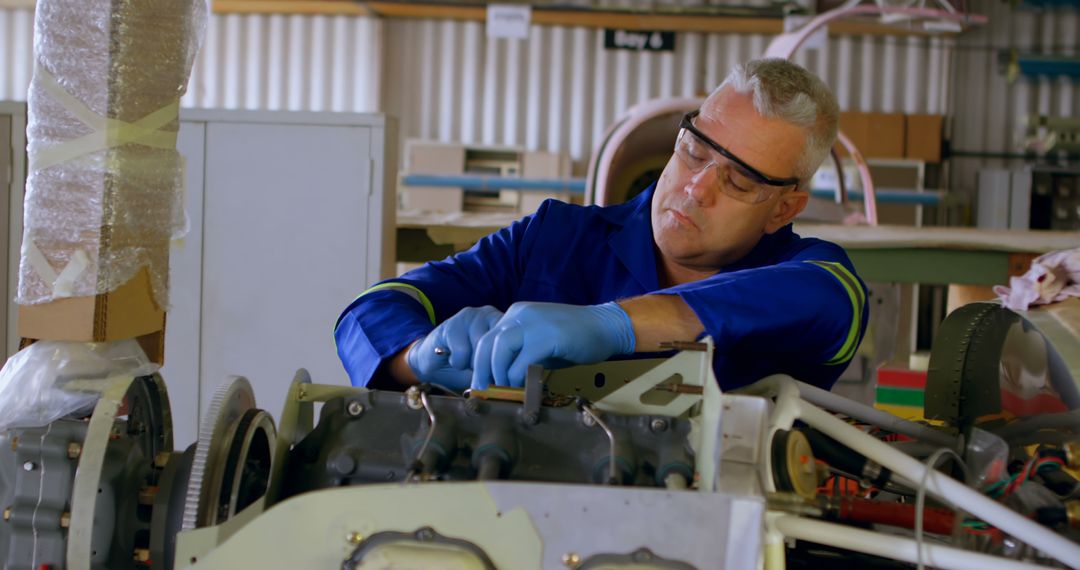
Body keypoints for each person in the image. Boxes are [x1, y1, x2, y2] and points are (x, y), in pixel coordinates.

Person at [334, 58, 868, 393]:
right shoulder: (554, 238)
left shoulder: (812, 277)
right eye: (694, 151)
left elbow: (827, 300)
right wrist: (416, 357)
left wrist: (613, 325)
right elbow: (372, 308)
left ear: (783, 209)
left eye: (740, 182)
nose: (696, 187)